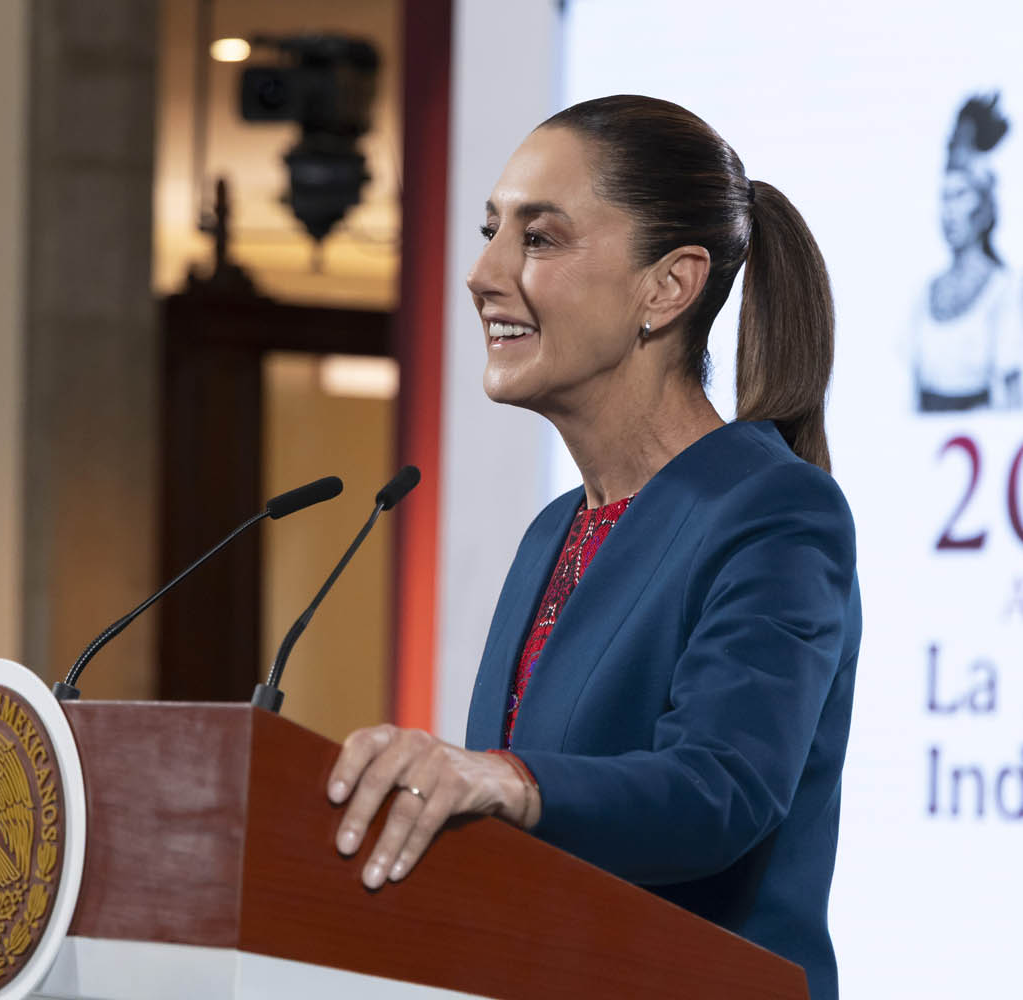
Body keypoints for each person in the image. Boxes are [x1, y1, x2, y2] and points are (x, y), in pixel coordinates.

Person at [327, 95, 860, 1000]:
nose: (483, 274)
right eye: (491, 231)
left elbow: (719, 790)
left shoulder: (774, 510)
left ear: (669, 287)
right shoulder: (552, 532)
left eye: (538, 239)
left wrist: (502, 779)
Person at [913, 92, 1023, 412]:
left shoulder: (1005, 289)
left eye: (960, 195)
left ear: (984, 205)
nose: (949, 212)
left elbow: (1013, 396)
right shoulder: (926, 292)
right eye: (944, 197)